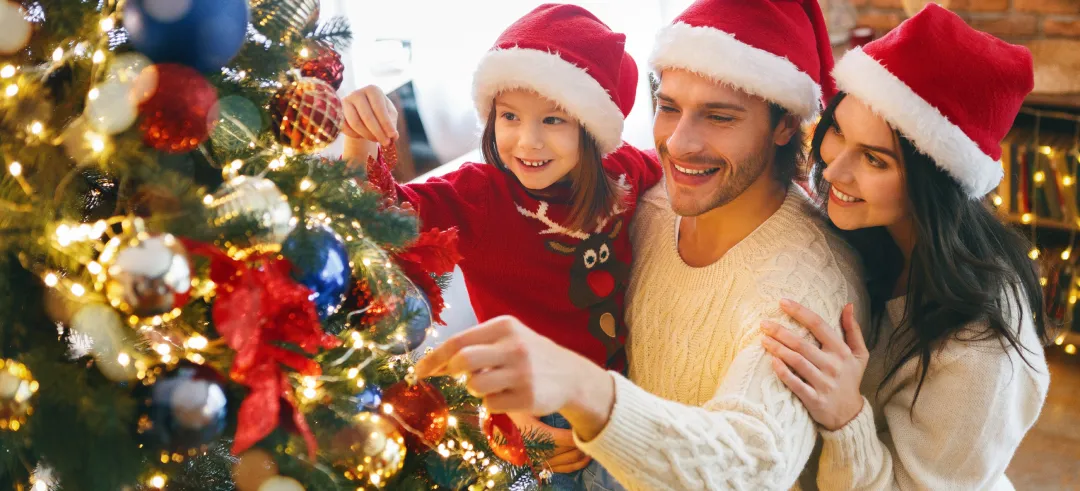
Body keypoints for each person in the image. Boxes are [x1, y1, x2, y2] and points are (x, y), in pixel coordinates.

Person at [416, 1, 870, 489]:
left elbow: (754, 466)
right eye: (669, 107)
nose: (677, 143)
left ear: (786, 125)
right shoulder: (645, 203)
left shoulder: (804, 285)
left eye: (719, 117)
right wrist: (517, 405)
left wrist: (582, 388)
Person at [342, 4, 663, 486]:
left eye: (553, 121)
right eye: (509, 116)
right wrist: (357, 138)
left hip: (620, 393)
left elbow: (680, 184)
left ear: (593, 130)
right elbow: (375, 216)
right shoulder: (480, 196)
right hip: (532, 412)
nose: (526, 142)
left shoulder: (625, 173)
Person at [760, 5, 1051, 489]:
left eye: (874, 160)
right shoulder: (872, 232)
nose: (833, 172)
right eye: (837, 131)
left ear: (934, 182)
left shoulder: (980, 351)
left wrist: (845, 416)